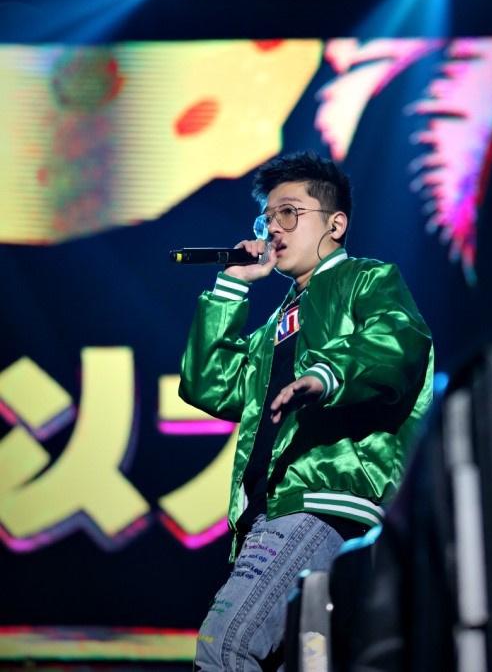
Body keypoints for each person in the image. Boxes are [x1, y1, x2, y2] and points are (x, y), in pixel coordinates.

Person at [179, 151, 434, 671]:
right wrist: (232, 285)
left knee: (224, 646)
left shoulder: (365, 279)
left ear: (335, 224)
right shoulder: (274, 325)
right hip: (271, 510)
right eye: (267, 218)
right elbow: (210, 384)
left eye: (289, 213)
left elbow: (398, 341)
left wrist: (326, 375)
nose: (274, 229)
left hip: (320, 500)